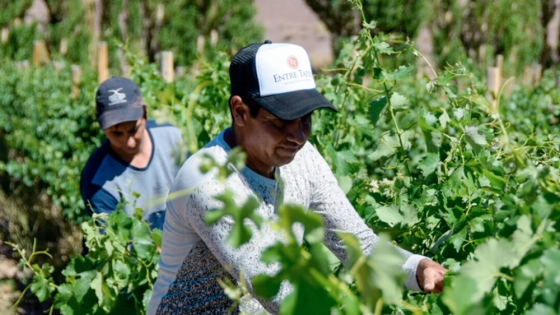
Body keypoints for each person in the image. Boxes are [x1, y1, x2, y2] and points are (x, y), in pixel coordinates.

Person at [149, 41, 447, 314]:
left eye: (306, 119)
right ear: (240, 111)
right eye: (280, 122)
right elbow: (276, 289)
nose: (299, 136)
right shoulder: (209, 180)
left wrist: (415, 268)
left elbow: (358, 245)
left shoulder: (301, 158)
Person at [80, 76, 184, 231]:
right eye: (116, 133)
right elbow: (118, 248)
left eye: (134, 130)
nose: (128, 141)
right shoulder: (97, 181)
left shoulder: (173, 138)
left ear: (145, 114)